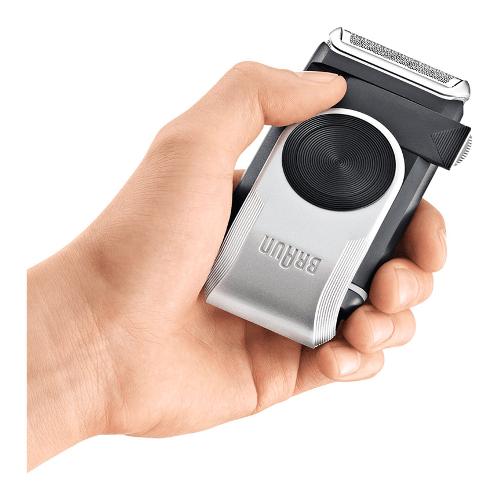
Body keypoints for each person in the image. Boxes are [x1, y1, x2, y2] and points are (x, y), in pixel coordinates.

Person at [27, 63, 445, 470]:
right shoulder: (328, 88)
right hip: (250, 292)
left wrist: (98, 362)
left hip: (269, 299)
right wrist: (99, 341)